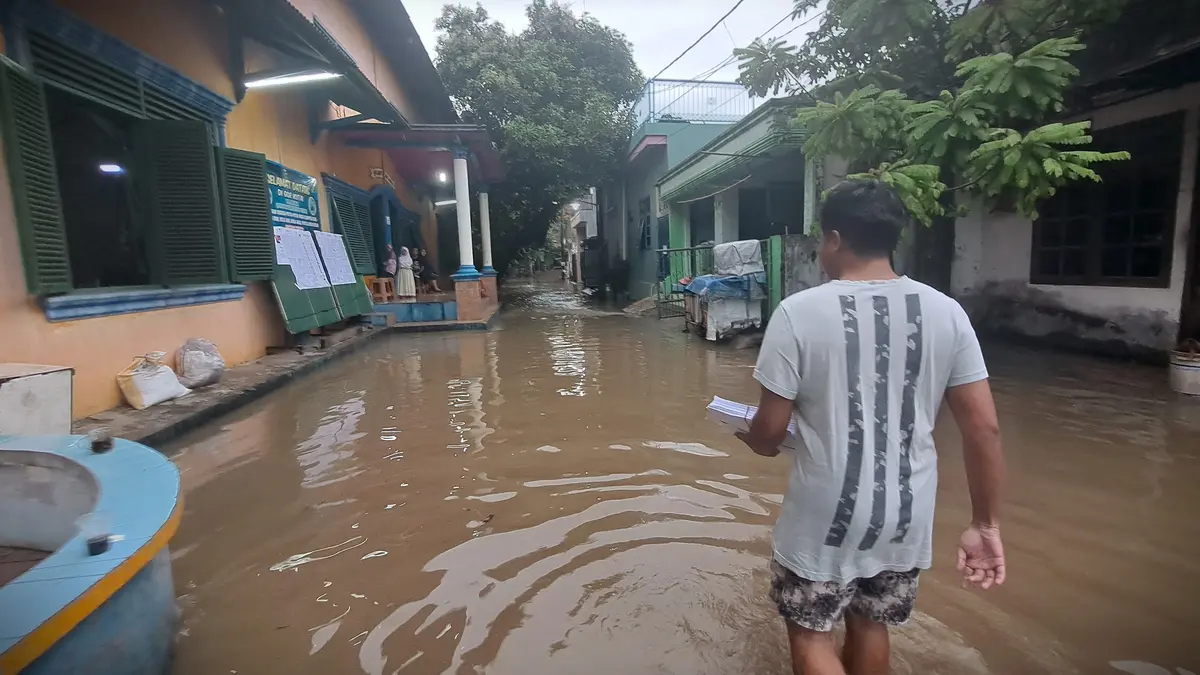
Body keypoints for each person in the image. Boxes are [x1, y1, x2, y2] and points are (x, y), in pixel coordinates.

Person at [737, 179, 1005, 675]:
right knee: (870, 623)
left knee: (811, 633)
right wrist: (984, 524)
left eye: (821, 240)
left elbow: (770, 432)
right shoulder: (948, 312)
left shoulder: (798, 312)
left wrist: (751, 436)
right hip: (905, 515)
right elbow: (983, 429)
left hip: (824, 516)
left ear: (835, 239)